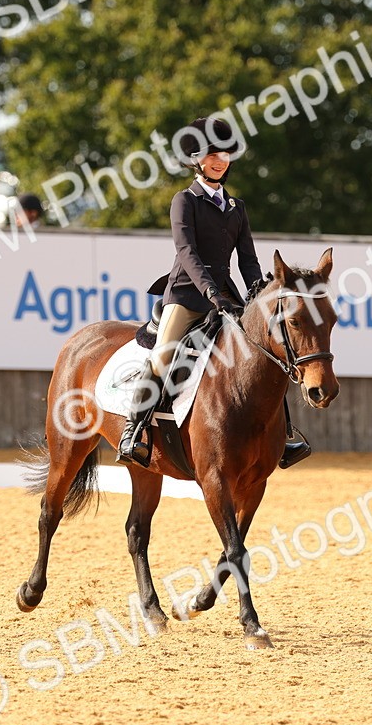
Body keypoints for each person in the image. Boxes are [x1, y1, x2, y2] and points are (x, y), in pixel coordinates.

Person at [116, 116, 311, 469]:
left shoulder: (237, 208)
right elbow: (186, 251)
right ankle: (135, 430)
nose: (219, 161)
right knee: (163, 356)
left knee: (267, 353)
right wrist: (209, 291)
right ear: (197, 159)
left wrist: (256, 293)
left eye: (225, 154)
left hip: (227, 297)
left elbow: (248, 259)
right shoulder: (184, 201)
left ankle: (286, 436)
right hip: (187, 296)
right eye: (212, 155)